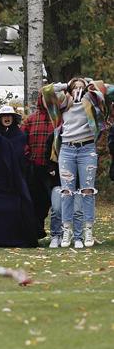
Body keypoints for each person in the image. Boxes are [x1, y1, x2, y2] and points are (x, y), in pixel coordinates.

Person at [41, 77, 113, 248]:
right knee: (67, 191)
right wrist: (66, 85)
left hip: (87, 150)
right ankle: (67, 231)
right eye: (75, 88)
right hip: (67, 150)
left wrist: (91, 85)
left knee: (87, 191)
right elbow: (46, 91)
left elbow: (110, 90)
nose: (78, 90)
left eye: (81, 88)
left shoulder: (93, 102)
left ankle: (87, 231)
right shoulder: (62, 103)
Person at [0, 106, 36, 247]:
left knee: (17, 208)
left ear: (13, 118)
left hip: (15, 178)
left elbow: (21, 156)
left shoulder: (20, 136)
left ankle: (17, 239)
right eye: (4, 116)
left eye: (9, 116)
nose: (7, 118)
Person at [21, 92, 56, 244]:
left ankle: (57, 234)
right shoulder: (31, 119)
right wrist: (28, 155)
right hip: (33, 166)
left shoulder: (57, 119)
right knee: (33, 200)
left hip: (51, 168)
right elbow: (21, 140)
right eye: (44, 98)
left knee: (49, 201)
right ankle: (34, 231)